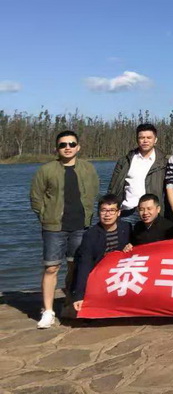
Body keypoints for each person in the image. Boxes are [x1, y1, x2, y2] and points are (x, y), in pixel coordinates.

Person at [30, 130, 99, 328]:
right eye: (63, 145)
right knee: (51, 267)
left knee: (75, 267)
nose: (67, 148)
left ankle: (70, 304)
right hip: (54, 227)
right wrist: (45, 216)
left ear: (78, 147)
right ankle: (48, 311)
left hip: (80, 226)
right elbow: (36, 197)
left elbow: (94, 192)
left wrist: (88, 215)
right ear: (57, 148)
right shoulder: (46, 170)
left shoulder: (88, 169)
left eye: (71, 144)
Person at [71, 194, 131, 314]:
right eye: (103, 210)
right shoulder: (90, 235)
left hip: (120, 273)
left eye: (112, 210)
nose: (107, 214)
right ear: (98, 212)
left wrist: (130, 247)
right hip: (99, 276)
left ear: (118, 212)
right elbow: (84, 266)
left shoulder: (126, 228)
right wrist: (79, 296)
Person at [106, 123, 168, 225]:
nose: (145, 141)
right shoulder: (124, 161)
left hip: (152, 214)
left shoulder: (164, 163)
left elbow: (169, 191)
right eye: (142, 138)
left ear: (155, 140)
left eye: (149, 137)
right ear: (137, 139)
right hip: (127, 212)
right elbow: (113, 188)